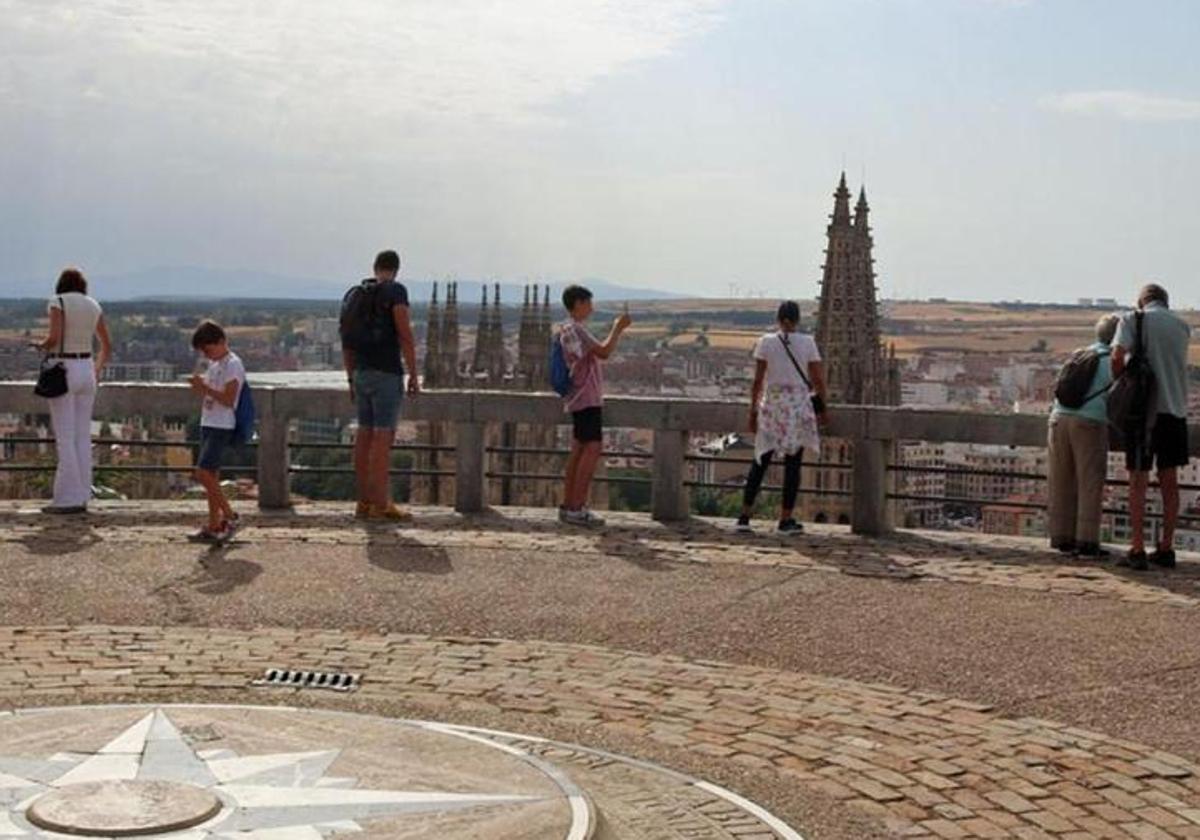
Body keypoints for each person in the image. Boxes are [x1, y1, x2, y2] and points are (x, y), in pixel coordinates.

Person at [1112, 283, 1192, 570]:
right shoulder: (1183, 327)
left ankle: (1137, 548)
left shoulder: (1133, 319)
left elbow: (1117, 356)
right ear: (1166, 302)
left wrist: (1121, 382)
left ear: (1142, 301)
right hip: (1175, 412)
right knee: (1169, 482)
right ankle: (1166, 547)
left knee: (1138, 480)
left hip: (1143, 412)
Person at [341, 249, 419, 521]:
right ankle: (381, 503)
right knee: (383, 440)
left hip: (360, 373)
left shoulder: (355, 295)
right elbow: (405, 334)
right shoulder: (396, 292)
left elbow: (346, 341)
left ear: (375, 267)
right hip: (386, 373)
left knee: (364, 437)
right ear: (396, 269)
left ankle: (363, 501)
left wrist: (351, 378)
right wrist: (413, 373)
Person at [736, 301, 827, 535]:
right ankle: (785, 520)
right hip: (797, 409)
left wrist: (752, 411)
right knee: (793, 466)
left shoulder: (766, 342)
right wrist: (823, 409)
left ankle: (744, 517)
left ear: (778, 319)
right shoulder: (807, 343)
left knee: (760, 462)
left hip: (772, 407)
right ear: (797, 320)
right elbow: (817, 380)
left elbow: (757, 381)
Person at [35, 267, 112, 514]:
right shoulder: (93, 305)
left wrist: (39, 345)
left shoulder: (57, 302)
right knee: (82, 436)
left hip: (64, 368)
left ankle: (67, 498)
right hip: (86, 369)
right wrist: (96, 369)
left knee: (65, 437)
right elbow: (106, 345)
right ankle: (82, 494)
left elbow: (54, 338)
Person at [1047, 314, 1119, 558]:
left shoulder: (1079, 354)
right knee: (1089, 482)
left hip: (1058, 419)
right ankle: (1087, 541)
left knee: (1061, 479)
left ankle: (1061, 537)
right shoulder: (1114, 360)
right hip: (1089, 422)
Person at [558, 285, 631, 526]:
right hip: (586, 398)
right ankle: (576, 508)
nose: (592, 307)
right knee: (591, 450)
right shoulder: (576, 329)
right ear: (578, 304)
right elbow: (604, 352)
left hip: (578, 398)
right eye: (589, 303)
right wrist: (617, 328)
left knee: (578, 451)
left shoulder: (567, 329)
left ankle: (569, 506)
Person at [188, 321, 245, 543]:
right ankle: (214, 525)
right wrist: (202, 387)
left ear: (221, 342)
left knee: (203, 473)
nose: (206, 354)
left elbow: (230, 399)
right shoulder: (216, 364)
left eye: (208, 349)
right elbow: (214, 394)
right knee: (211, 475)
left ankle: (230, 515)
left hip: (222, 425)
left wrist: (204, 388)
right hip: (210, 422)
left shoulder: (233, 364)